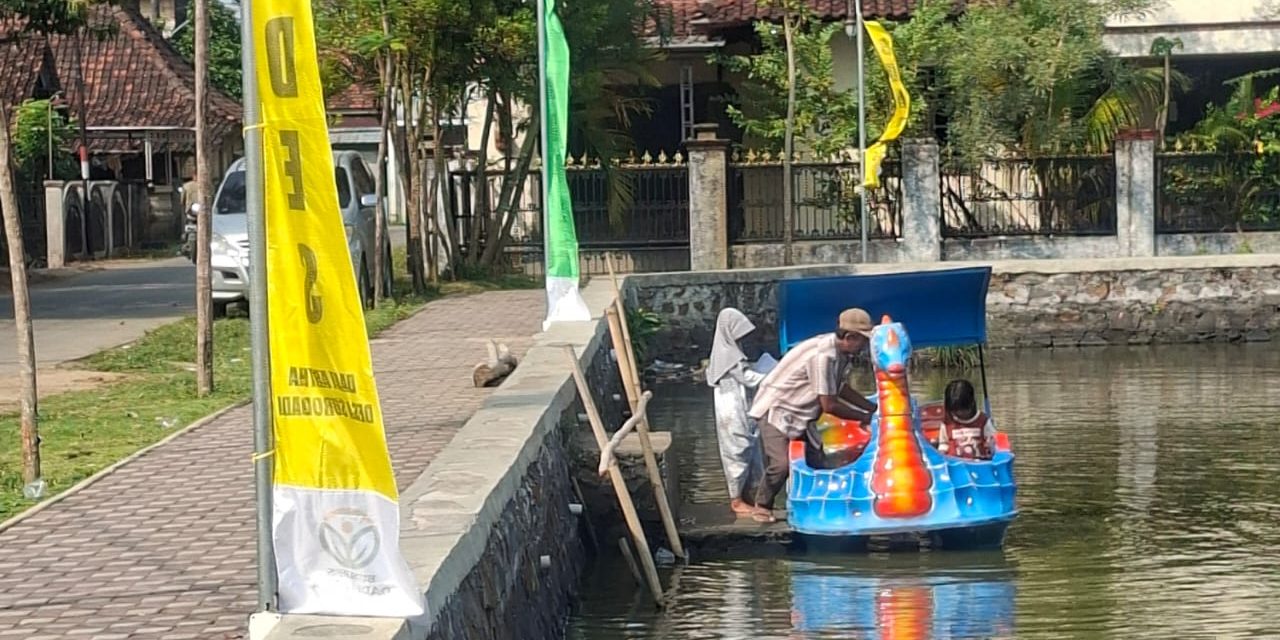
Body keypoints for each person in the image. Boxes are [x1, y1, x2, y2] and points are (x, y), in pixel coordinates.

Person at [747, 308, 879, 523]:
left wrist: (872, 407)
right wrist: (864, 417)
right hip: (778, 409)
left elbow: (840, 387)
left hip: (802, 414)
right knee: (782, 464)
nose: (864, 346)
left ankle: (817, 505)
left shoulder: (841, 354)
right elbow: (829, 404)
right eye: (862, 340)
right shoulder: (823, 356)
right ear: (849, 337)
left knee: (818, 462)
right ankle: (762, 505)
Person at [706, 308, 767, 517]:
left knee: (749, 447)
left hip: (740, 406)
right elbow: (747, 378)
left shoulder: (731, 353)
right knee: (737, 448)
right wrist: (773, 375)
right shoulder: (728, 356)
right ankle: (737, 500)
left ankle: (749, 495)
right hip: (732, 410)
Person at [938, 379, 995, 460]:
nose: (959, 413)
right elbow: (943, 444)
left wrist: (990, 445)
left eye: (963, 410)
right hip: (954, 464)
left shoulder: (983, 421)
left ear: (971, 403)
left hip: (979, 465)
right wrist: (941, 454)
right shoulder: (947, 424)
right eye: (955, 410)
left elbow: (993, 443)